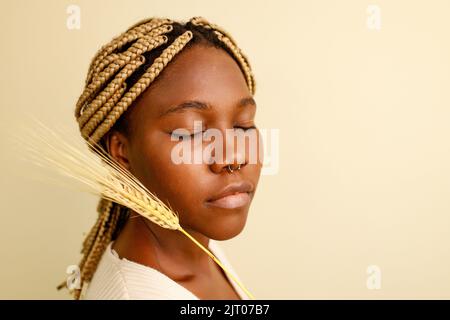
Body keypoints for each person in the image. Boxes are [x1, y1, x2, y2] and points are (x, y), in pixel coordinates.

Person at [59, 16, 262, 300]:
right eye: (193, 132)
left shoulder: (195, 248)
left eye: (243, 125)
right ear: (122, 152)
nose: (233, 158)